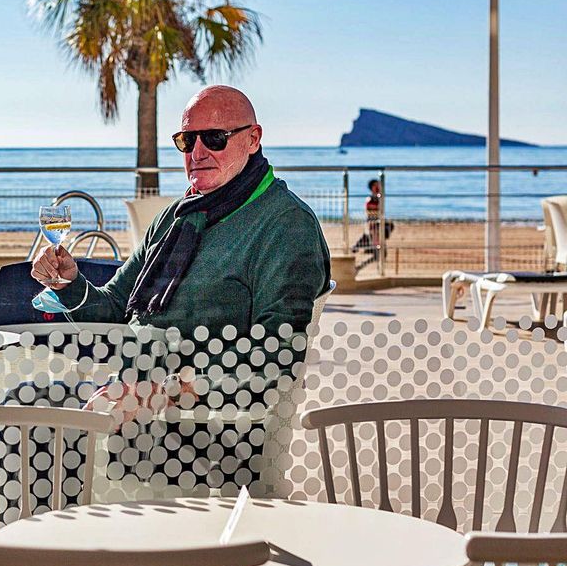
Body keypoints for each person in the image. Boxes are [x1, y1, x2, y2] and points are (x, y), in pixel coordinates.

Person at [31, 85, 330, 419]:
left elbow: (277, 355)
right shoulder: (178, 218)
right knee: (18, 403)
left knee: (31, 437)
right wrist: (68, 283)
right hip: (135, 396)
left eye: (215, 138)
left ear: (253, 139)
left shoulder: (286, 226)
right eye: (187, 141)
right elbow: (115, 309)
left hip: (199, 426)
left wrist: (167, 392)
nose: (197, 152)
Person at [353, 178, 393, 270]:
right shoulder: (370, 199)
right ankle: (364, 266)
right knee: (379, 252)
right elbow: (371, 213)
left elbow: (379, 212)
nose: (378, 187)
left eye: (378, 185)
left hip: (377, 227)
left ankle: (362, 265)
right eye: (376, 185)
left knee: (379, 252)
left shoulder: (378, 198)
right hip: (374, 227)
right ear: (372, 187)